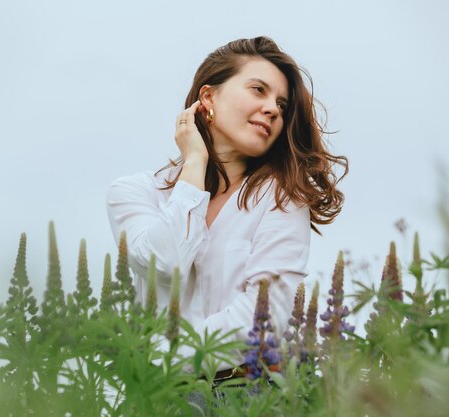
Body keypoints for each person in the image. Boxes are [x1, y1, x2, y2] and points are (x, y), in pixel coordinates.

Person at [106, 36, 347, 380]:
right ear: (208, 97)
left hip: (243, 394)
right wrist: (194, 164)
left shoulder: (282, 199)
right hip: (155, 400)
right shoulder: (134, 193)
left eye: (282, 104)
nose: (274, 109)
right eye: (258, 90)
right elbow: (165, 264)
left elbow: (266, 316)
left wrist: (167, 358)